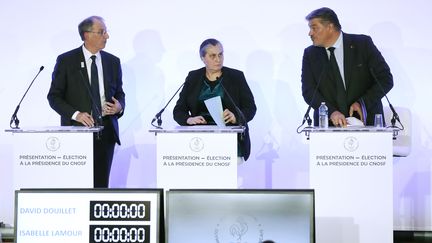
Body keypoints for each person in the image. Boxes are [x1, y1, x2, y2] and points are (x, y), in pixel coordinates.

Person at [47, 16, 125, 188]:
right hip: (77, 131)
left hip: (106, 131)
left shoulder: (113, 61)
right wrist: (76, 114)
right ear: (87, 35)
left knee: (101, 185)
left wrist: (119, 106)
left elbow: (119, 93)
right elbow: (54, 97)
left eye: (106, 32)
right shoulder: (67, 61)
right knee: (77, 184)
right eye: (102, 32)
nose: (107, 36)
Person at [301, 7, 393, 127]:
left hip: (366, 123)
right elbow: (309, 91)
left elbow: (385, 79)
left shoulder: (362, 44)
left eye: (314, 28)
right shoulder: (310, 54)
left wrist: (362, 103)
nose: (310, 33)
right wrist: (331, 112)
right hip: (328, 126)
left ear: (330, 27)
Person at [173, 38, 256, 161]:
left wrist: (236, 116)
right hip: (199, 143)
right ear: (203, 58)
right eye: (212, 56)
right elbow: (179, 110)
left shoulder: (236, 76)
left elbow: (250, 107)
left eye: (220, 54)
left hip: (230, 141)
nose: (218, 59)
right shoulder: (193, 77)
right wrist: (189, 119)